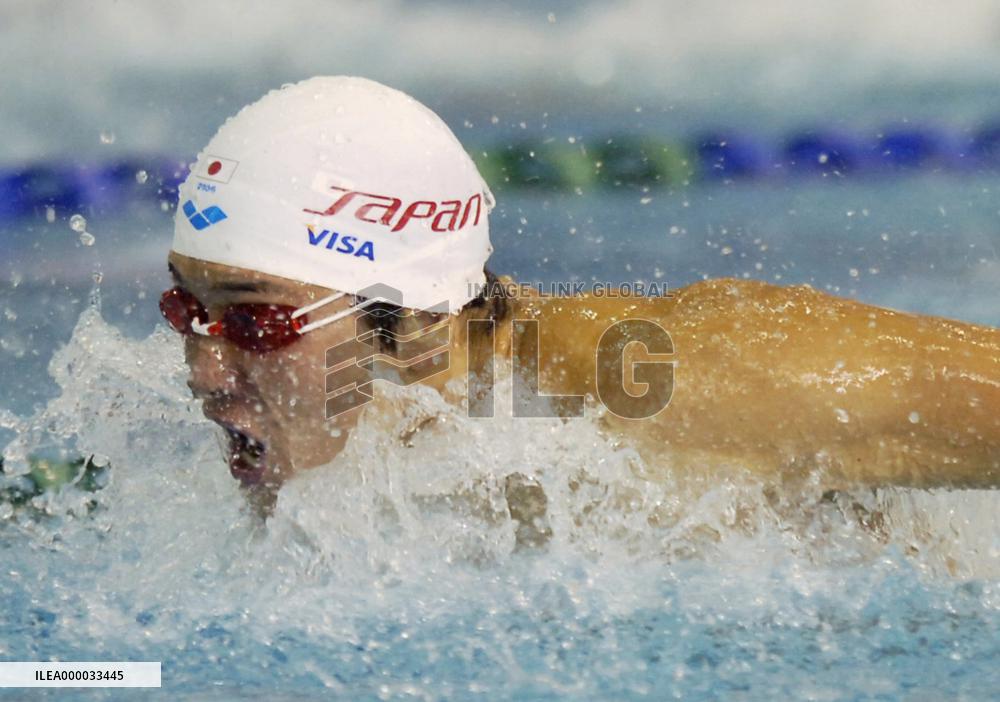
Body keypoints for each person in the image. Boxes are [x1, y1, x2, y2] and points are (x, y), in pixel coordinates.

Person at [163, 76, 1000, 518]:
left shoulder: (668, 388)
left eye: (255, 321)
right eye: (187, 312)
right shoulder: (379, 457)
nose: (204, 370)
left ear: (408, 313)